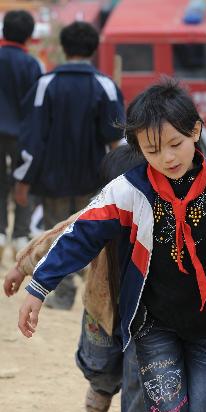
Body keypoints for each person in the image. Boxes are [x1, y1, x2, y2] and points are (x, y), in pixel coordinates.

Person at [17, 79, 206, 412]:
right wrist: (38, 287)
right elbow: (80, 235)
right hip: (153, 327)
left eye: (174, 144)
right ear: (137, 148)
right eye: (152, 150)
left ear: (195, 132)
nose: (166, 158)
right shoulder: (129, 190)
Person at [4, 146, 156, 412]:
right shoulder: (96, 215)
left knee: (141, 369)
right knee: (98, 362)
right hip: (101, 307)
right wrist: (23, 266)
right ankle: (101, 385)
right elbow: (59, 238)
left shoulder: (163, 220)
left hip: (146, 312)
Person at [13, 21, 125, 310]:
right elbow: (116, 139)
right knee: (90, 234)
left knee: (55, 232)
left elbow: (32, 138)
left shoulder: (46, 85)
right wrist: (120, 181)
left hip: (52, 178)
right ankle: (94, 294)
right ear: (93, 49)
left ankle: (63, 294)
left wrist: (23, 181)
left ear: (63, 48)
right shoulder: (105, 85)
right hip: (94, 177)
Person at [0, 10, 43, 262]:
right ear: (28, 37)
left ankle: (0, 233)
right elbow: (36, 105)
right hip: (23, 135)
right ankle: (19, 235)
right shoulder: (31, 65)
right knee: (24, 181)